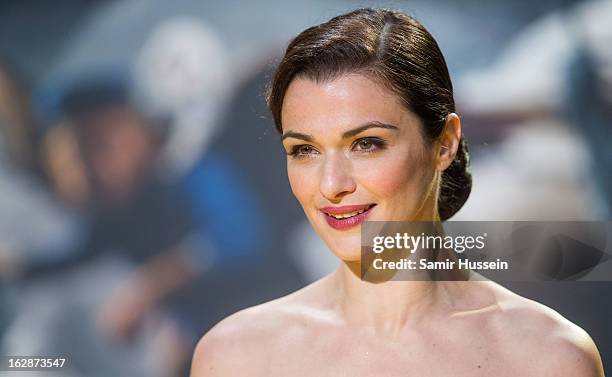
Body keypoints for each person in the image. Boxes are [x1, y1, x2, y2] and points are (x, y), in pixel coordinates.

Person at [189, 8, 604, 376]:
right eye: (304, 150)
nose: (332, 184)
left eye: (366, 143)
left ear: (444, 144)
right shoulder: (234, 357)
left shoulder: (550, 358)